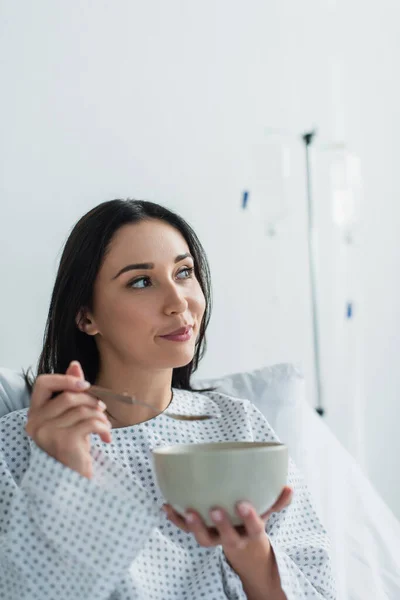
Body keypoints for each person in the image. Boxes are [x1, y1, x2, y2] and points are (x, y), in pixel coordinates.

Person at [0, 199, 336, 600]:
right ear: (86, 316)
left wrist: (252, 555)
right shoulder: (18, 443)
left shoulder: (239, 425)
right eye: (141, 281)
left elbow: (318, 588)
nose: (179, 302)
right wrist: (63, 474)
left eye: (184, 272)